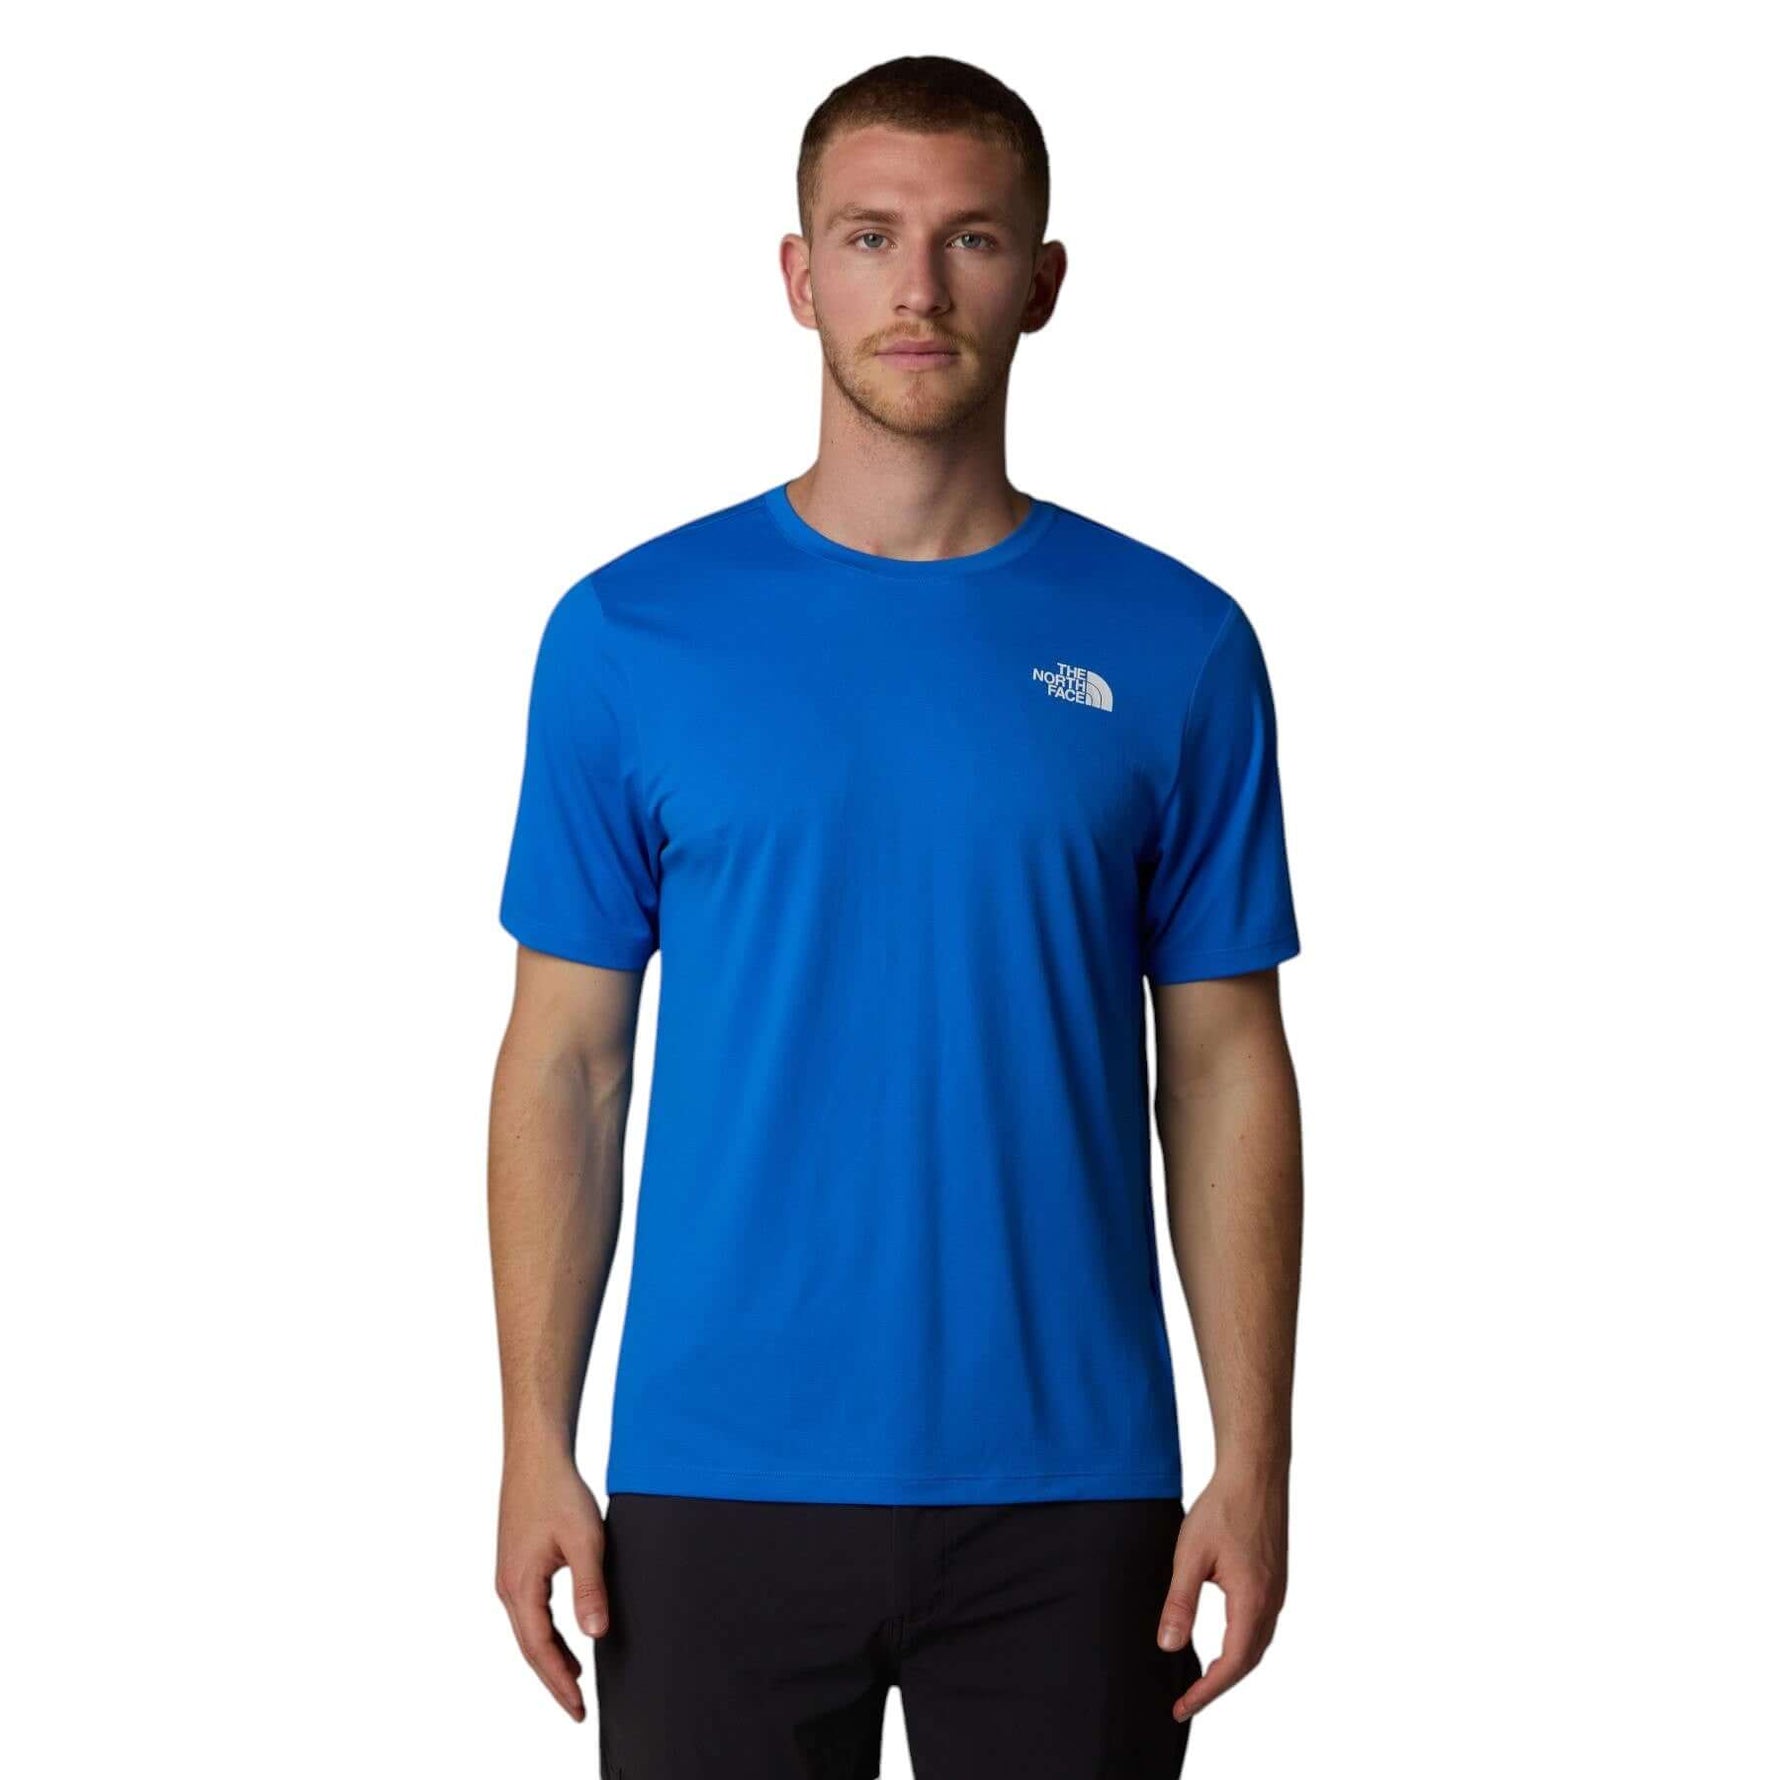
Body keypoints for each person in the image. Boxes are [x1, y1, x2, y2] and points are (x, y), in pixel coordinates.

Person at [488, 53, 1304, 1779]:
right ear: (799, 277)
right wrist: (531, 1441)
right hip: (713, 1480)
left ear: (1043, 281)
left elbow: (1227, 1062)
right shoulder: (629, 636)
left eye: (970, 240)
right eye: (869, 237)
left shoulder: (1179, 646)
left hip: (1074, 1491)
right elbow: (566, 1061)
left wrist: (1256, 1459)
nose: (917, 288)